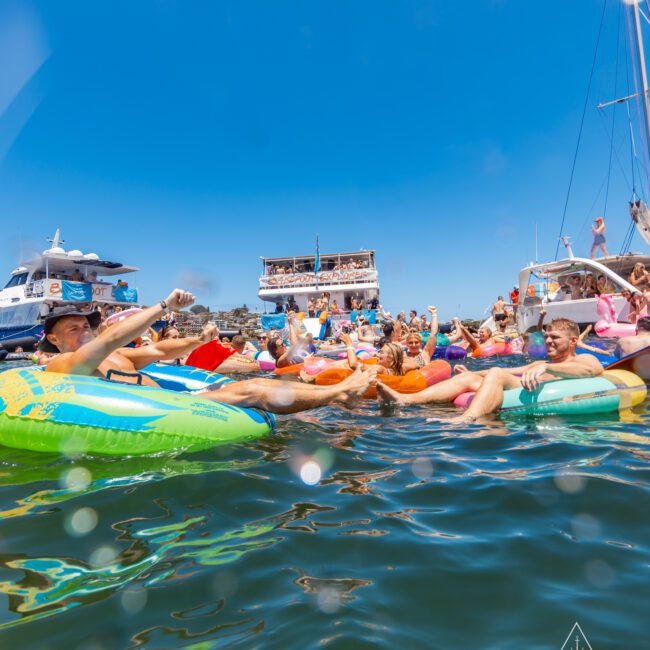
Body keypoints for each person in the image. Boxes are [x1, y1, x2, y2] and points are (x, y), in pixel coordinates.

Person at [41, 290, 375, 414]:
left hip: (175, 399)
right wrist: (163, 306)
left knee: (268, 385)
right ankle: (340, 392)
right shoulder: (63, 362)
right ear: (54, 340)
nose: (84, 331)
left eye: (86, 326)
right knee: (254, 389)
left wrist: (197, 341)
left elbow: (157, 348)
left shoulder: (116, 358)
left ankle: (337, 395)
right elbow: (109, 339)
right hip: (161, 409)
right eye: (73, 329)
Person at [377, 318, 604, 422]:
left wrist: (547, 366)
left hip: (548, 395)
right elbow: (513, 373)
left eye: (555, 337)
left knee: (495, 372)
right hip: (522, 389)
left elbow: (592, 370)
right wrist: (472, 374)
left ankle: (467, 418)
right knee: (478, 375)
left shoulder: (582, 358)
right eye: (546, 337)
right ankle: (406, 400)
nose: (548, 342)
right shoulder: (539, 364)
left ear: (573, 341)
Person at [403, 306, 438, 371]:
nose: (414, 345)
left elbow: (433, 334)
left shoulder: (425, 353)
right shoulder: (403, 355)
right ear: (407, 344)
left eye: (416, 342)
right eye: (410, 343)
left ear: (421, 344)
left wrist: (434, 314)